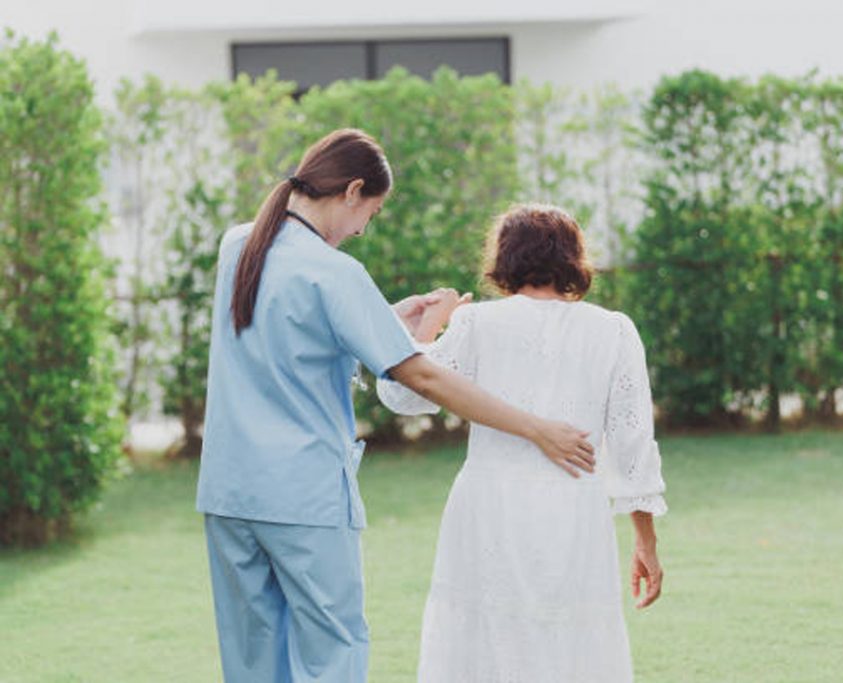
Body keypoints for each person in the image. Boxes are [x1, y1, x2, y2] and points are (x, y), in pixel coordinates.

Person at [195, 130, 595, 683]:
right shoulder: (334, 272)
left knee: (251, 661)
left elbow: (286, 332)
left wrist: (384, 319)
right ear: (352, 190)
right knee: (333, 652)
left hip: (228, 494)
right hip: (303, 498)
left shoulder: (238, 245)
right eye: (372, 213)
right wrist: (536, 428)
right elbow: (424, 377)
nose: (362, 229)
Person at [377, 204, 667, 683]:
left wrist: (429, 327)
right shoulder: (614, 331)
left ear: (504, 257)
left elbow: (404, 395)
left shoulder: (476, 323)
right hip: (573, 504)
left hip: (489, 503)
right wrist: (646, 543)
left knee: (485, 633)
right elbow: (633, 448)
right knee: (570, 638)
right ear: (573, 258)